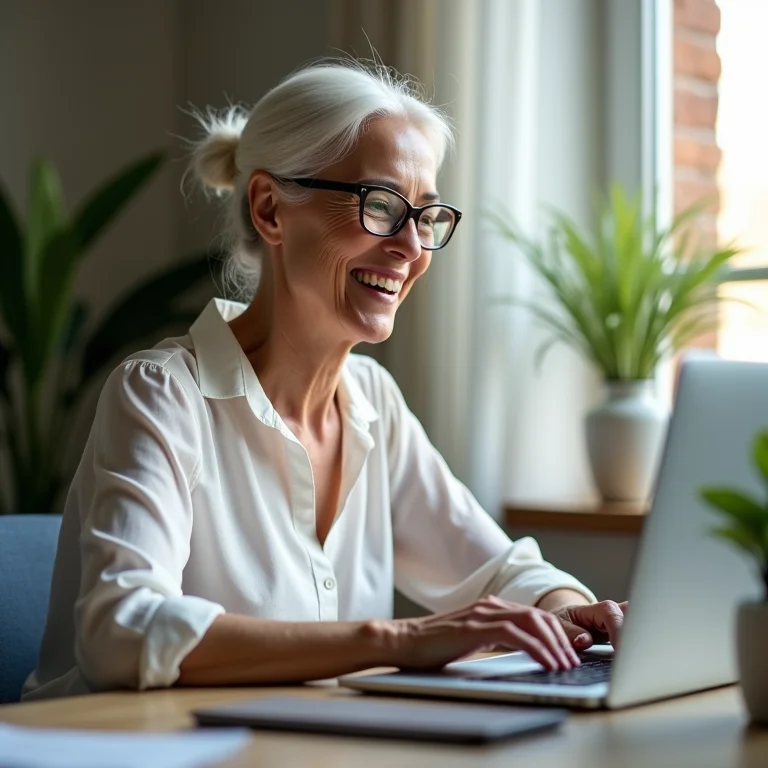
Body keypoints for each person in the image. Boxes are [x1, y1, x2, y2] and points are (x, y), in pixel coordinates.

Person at [23, 58, 626, 700]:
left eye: (424, 216)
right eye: (381, 205)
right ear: (270, 209)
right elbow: (123, 632)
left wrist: (574, 612)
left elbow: (496, 571)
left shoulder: (373, 403)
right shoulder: (161, 395)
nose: (412, 248)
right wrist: (395, 641)